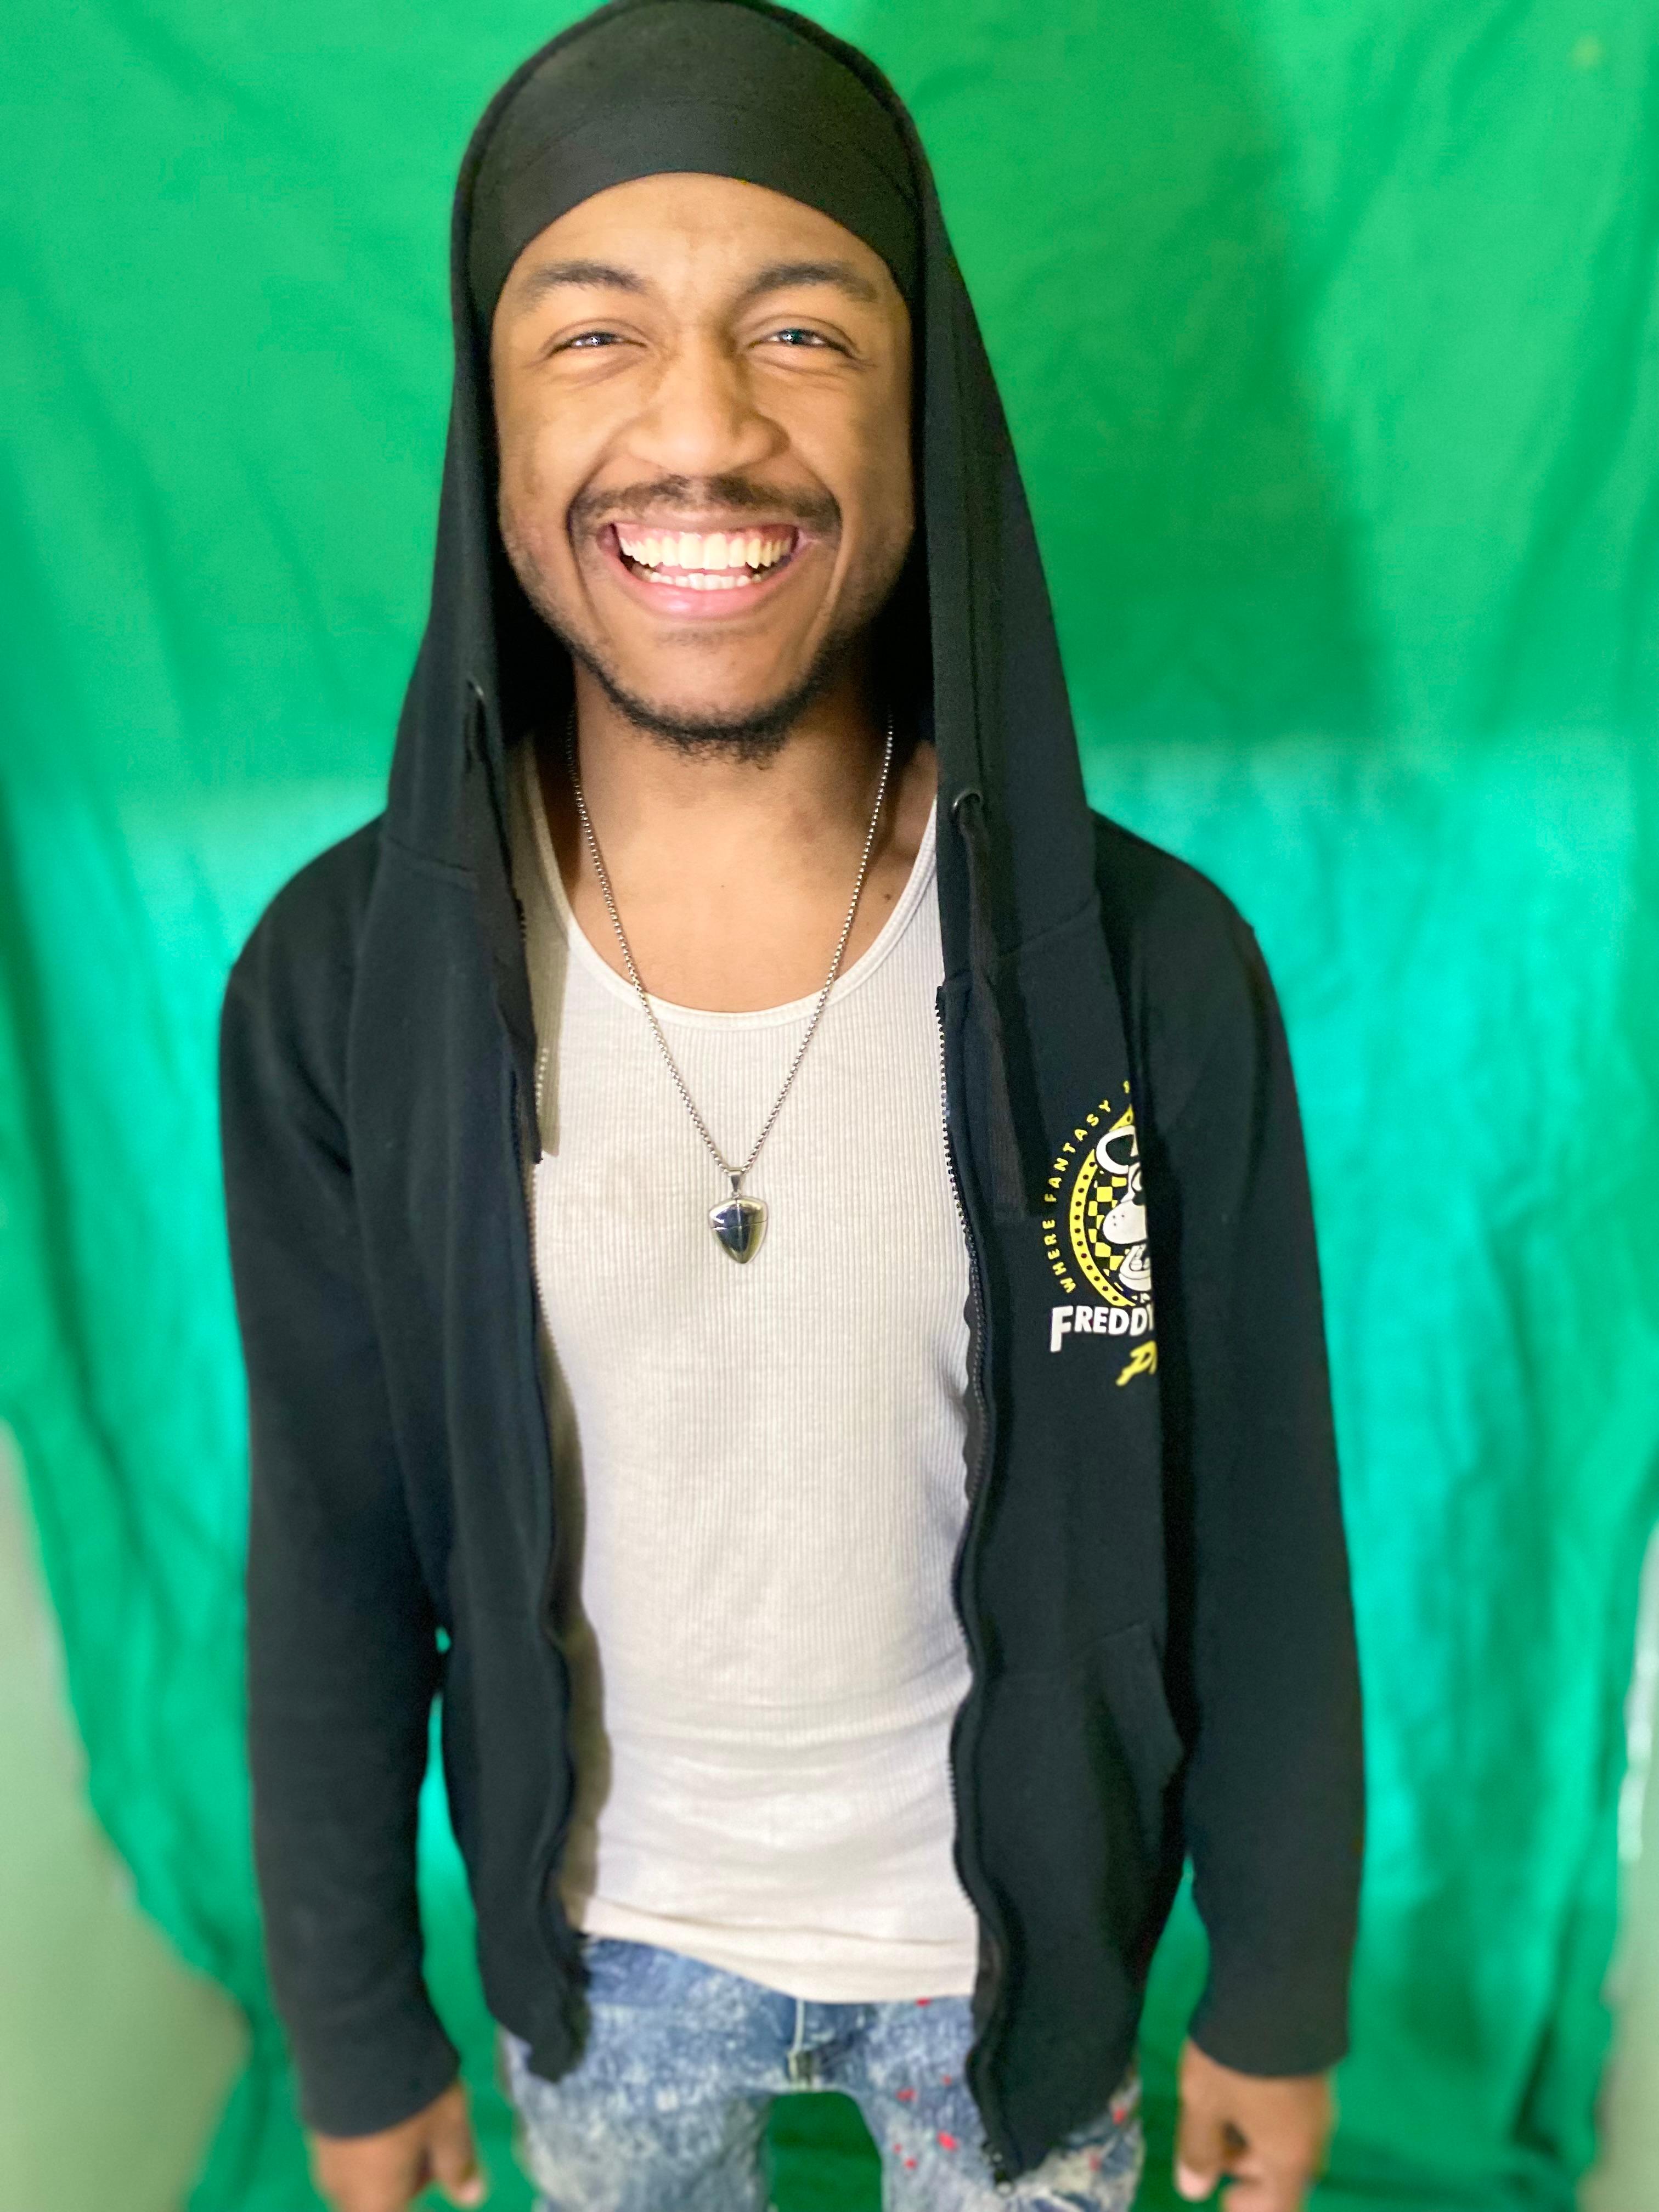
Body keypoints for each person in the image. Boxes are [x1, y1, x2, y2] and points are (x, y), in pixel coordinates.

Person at [219, 3, 1364, 2208]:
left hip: (1015, 1962)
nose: (702, 430)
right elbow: (336, 1557)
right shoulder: (340, 987)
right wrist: (359, 2029)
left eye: (805, 333)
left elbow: (1260, 1525)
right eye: (593, 336)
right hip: (606, 1958)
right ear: (488, 427)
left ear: (929, 413)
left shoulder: (1151, 971)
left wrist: (1283, 1983)